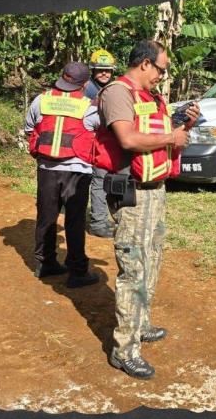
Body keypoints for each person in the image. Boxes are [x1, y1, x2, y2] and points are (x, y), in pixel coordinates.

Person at [93, 40, 199, 379]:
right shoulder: (116, 93)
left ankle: (141, 325)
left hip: (155, 190)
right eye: (161, 69)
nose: (162, 76)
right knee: (133, 270)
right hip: (132, 194)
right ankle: (124, 351)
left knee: (152, 261)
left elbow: (163, 136)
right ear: (144, 64)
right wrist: (171, 139)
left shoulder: (153, 99)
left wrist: (184, 128)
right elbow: (128, 139)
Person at [24, 62, 100, 288]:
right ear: (85, 84)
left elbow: (30, 129)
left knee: (46, 216)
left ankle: (45, 263)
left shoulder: (41, 100)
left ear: (62, 78)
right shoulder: (89, 106)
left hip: (47, 169)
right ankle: (77, 272)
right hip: (77, 171)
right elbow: (101, 132)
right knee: (75, 220)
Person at [85, 49, 117, 238]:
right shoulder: (88, 90)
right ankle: (98, 222)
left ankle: (102, 219)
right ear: (92, 70)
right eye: (100, 70)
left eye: (107, 70)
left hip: (106, 143)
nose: (104, 73)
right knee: (99, 183)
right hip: (94, 144)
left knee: (106, 182)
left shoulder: (110, 88)